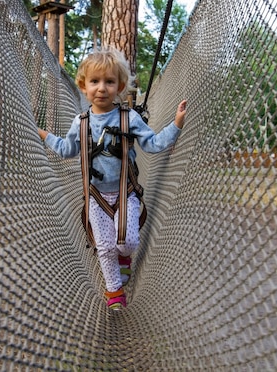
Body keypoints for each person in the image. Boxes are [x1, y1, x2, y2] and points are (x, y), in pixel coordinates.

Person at [37, 47, 187, 310]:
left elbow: (151, 144)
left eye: (109, 81)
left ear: (119, 86)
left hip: (125, 192)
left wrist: (175, 125)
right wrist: (44, 135)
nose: (102, 88)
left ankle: (125, 259)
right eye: (94, 81)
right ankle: (114, 291)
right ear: (84, 86)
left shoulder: (129, 118)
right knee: (104, 247)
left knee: (126, 242)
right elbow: (66, 149)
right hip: (96, 196)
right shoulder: (80, 122)